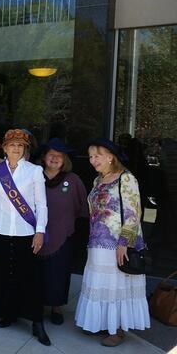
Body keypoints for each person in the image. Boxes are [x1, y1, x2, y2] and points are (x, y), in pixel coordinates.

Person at [75, 138, 150, 347]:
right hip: (97, 242)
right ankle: (102, 323)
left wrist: (124, 242)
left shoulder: (126, 178)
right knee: (102, 284)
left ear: (110, 157)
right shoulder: (98, 180)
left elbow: (134, 212)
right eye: (90, 156)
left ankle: (118, 330)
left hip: (117, 243)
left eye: (96, 155)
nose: (92, 160)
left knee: (117, 285)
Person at [0, 129, 50, 346]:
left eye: (20, 146)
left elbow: (41, 204)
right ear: (4, 148)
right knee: (4, 275)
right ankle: (8, 313)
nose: (16, 148)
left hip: (26, 232)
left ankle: (36, 321)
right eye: (12, 145)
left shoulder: (34, 171)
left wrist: (40, 230)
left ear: (25, 149)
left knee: (30, 278)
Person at [38, 138, 88, 325]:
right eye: (51, 154)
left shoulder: (73, 180)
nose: (54, 158)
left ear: (65, 159)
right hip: (36, 235)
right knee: (38, 273)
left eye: (59, 156)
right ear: (44, 157)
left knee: (58, 273)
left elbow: (82, 208)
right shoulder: (34, 175)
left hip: (62, 235)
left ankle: (56, 307)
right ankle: (37, 304)